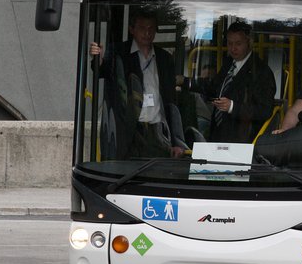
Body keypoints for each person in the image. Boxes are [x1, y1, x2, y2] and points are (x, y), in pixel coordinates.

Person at [90, 10, 185, 159]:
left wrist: (176, 140)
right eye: (142, 28)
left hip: (157, 131)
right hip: (128, 132)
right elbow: (101, 72)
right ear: (132, 29)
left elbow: (171, 101)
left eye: (151, 28)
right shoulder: (118, 52)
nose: (147, 33)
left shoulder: (164, 58)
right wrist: (98, 59)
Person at [204, 21, 276, 143]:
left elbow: (264, 110)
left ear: (249, 43)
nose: (233, 48)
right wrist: (187, 82)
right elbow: (215, 88)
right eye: (229, 43)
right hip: (219, 136)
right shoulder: (228, 63)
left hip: (242, 140)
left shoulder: (261, 72)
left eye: (238, 44)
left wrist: (232, 106)